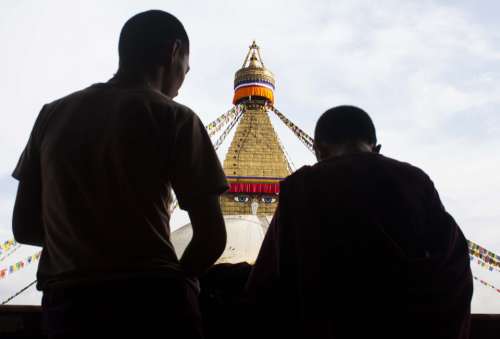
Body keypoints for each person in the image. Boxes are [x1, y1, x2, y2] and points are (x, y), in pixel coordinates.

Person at [12, 10, 227, 338]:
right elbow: (212, 238)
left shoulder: (52, 115)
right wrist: (175, 282)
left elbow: (24, 227)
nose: (183, 82)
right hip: (151, 304)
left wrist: (82, 239)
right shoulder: (175, 117)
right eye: (186, 67)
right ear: (174, 52)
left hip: (67, 307)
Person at [246, 105, 473, 339]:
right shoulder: (414, 180)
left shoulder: (302, 186)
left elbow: (267, 282)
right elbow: (454, 265)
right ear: (377, 148)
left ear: (319, 149)